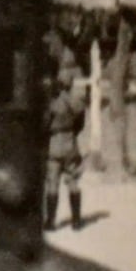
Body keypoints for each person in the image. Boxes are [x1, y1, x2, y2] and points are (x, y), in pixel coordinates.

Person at [44, 50, 89, 232]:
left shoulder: (51, 104)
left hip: (53, 143)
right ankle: (76, 221)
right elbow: (80, 120)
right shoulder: (73, 101)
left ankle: (51, 221)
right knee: (73, 181)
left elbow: (44, 123)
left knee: (52, 182)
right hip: (70, 142)